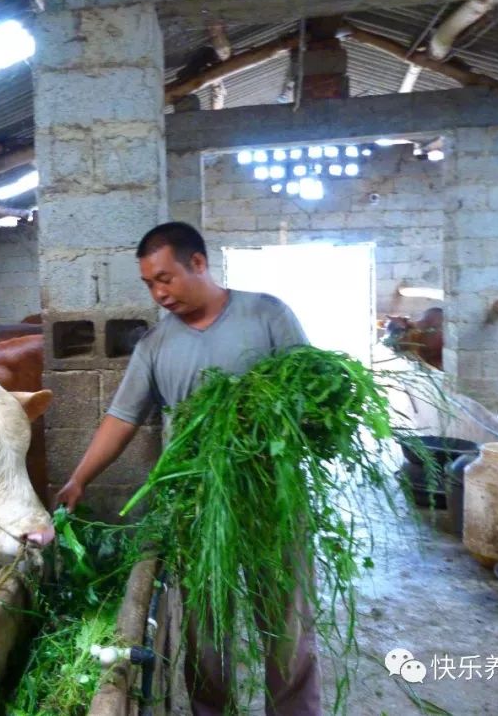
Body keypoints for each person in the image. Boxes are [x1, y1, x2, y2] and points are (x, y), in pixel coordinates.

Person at [56, 221, 320, 716]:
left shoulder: (267, 315)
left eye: (165, 278)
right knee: (204, 628)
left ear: (198, 263)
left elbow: (307, 390)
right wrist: (79, 477)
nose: (158, 294)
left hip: (271, 498)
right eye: (149, 284)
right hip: (197, 505)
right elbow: (122, 417)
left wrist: (268, 419)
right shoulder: (155, 346)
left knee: (286, 622)